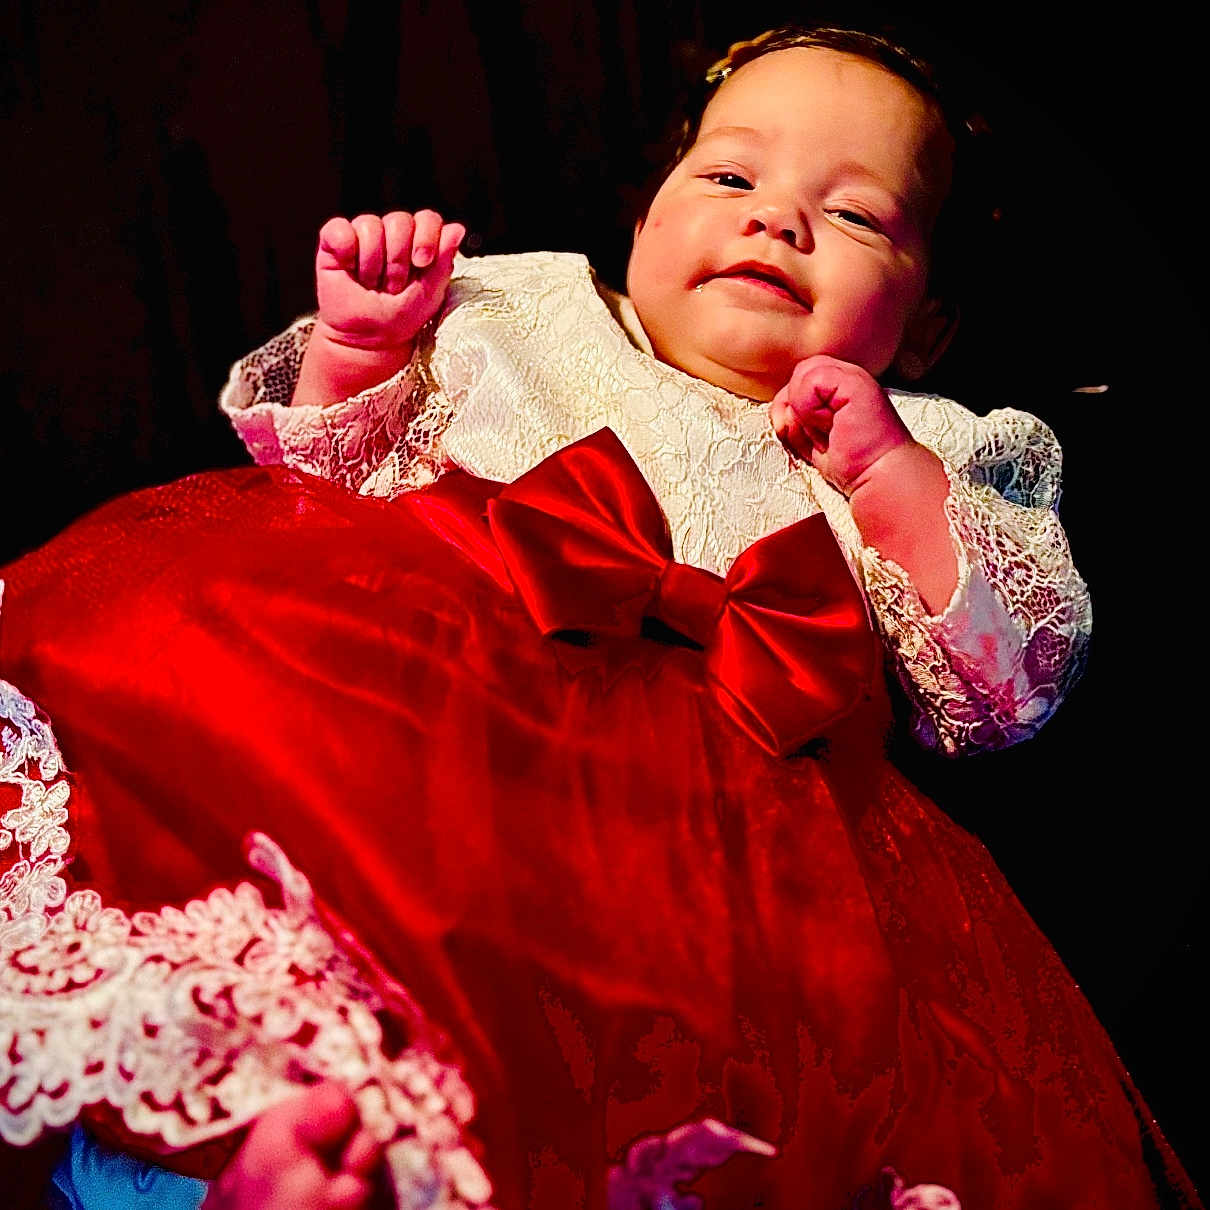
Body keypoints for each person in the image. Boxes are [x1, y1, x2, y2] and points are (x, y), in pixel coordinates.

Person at [0, 22, 1199, 1210]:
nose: (775, 219)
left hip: (738, 856)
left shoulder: (930, 443)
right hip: (423, 729)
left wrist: (888, 474)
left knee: (652, 1075)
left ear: (926, 324)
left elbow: (1009, 683)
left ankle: (361, 1184)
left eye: (856, 216)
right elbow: (322, 498)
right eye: (730, 176)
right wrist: (361, 346)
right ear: (643, 223)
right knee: (258, 840)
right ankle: (215, 1161)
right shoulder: (526, 317)